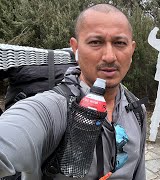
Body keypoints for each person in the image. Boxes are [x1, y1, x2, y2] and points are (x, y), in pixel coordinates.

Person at [0, 3, 146, 180]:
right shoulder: (54, 108)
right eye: (95, 42)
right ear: (75, 48)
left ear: (132, 49)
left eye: (120, 43)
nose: (109, 56)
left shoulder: (136, 110)